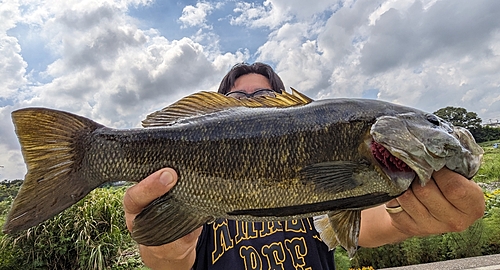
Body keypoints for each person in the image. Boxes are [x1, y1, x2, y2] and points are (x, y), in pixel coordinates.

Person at [123, 63, 485, 269]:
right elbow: (172, 262)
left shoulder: (342, 188)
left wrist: (416, 218)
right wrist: (162, 245)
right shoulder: (196, 199)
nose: (253, 103)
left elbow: (380, 223)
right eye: (237, 100)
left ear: (288, 107)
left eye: (264, 96)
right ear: (219, 112)